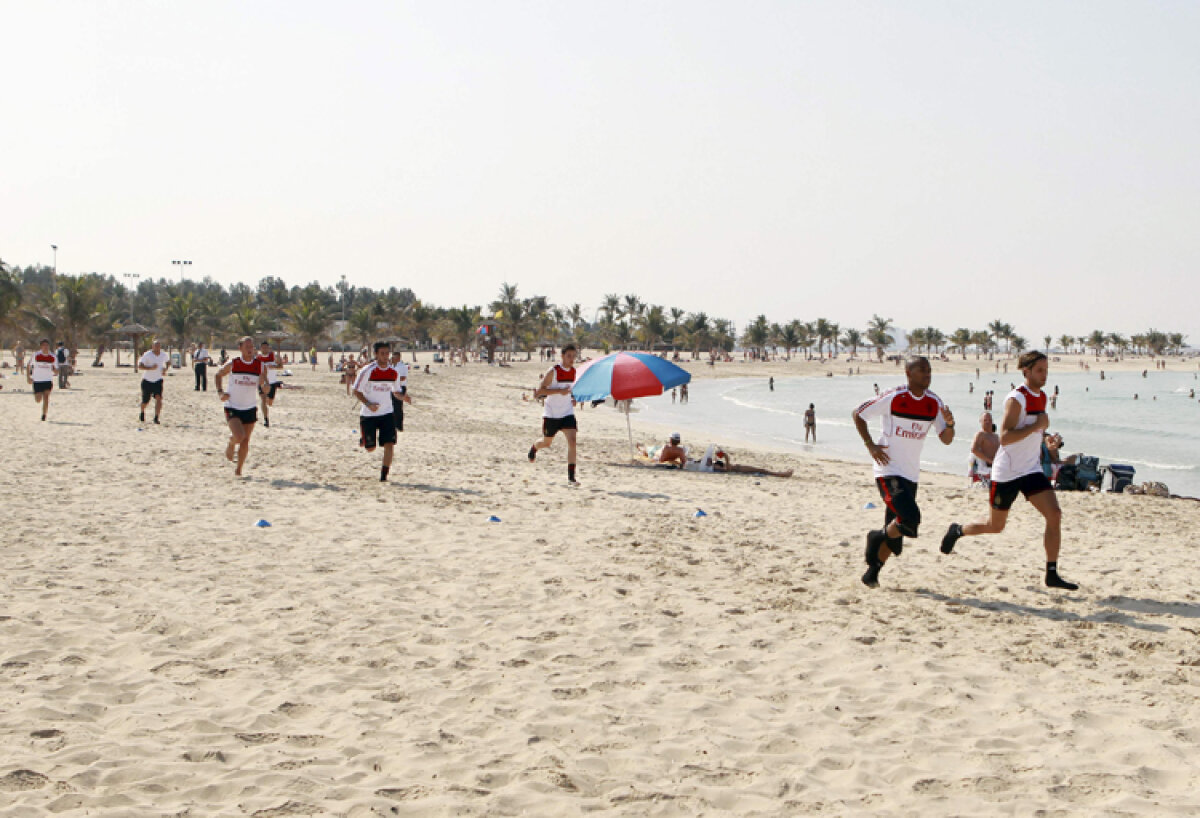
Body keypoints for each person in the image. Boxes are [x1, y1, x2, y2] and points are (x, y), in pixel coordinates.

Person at [940, 351, 1077, 590]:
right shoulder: (1017, 399)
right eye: (1039, 370)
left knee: (1054, 514)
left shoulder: (1042, 397)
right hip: (1007, 472)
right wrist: (1038, 425)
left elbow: (1032, 432)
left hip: (1031, 470)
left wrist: (1046, 439)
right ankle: (958, 530)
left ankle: (1051, 573)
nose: (1044, 375)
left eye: (1046, 370)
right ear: (1026, 371)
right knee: (995, 526)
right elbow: (1004, 437)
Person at [852, 356, 955, 588]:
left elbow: (946, 440)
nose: (927, 374)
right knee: (911, 519)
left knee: (900, 534)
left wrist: (949, 424)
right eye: (922, 370)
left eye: (929, 370)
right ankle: (876, 536)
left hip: (911, 474)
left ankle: (872, 572)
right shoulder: (894, 397)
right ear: (908, 373)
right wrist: (870, 444)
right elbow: (858, 414)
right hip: (888, 469)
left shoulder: (934, 403)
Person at [353, 341, 411, 482]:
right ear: (376, 354)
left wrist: (403, 397)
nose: (385, 356)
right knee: (370, 448)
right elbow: (356, 390)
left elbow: (395, 391)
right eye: (382, 353)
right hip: (368, 414)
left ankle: (384, 476)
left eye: (387, 353)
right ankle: (365, 438)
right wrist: (368, 403)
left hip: (387, 413)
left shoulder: (393, 372)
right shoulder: (367, 371)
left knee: (389, 444)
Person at [215, 336, 267, 477]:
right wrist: (221, 392)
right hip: (232, 406)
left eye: (252, 347)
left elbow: (265, 387)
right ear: (240, 348)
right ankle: (231, 443)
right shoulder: (234, 363)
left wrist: (265, 385)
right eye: (247, 347)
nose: (250, 350)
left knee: (245, 440)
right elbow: (218, 375)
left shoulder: (260, 366)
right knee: (239, 436)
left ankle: (239, 470)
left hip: (249, 407)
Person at [528, 344, 579, 485]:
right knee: (546, 442)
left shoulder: (574, 372)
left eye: (574, 356)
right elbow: (540, 391)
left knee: (573, 441)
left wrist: (573, 398)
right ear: (562, 356)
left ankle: (571, 477)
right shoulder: (553, 371)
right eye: (569, 356)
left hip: (567, 412)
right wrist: (558, 391)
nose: (572, 359)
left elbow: (571, 390)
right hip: (551, 414)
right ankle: (534, 447)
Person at [137, 340, 171, 424]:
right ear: (152, 346)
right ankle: (142, 411)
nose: (157, 348)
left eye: (159, 346)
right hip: (147, 380)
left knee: (159, 398)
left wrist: (165, 369)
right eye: (156, 346)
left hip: (158, 380)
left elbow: (168, 362)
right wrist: (150, 368)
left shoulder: (163, 355)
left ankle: (156, 417)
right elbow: (140, 366)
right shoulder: (147, 354)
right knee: (146, 401)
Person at [28, 339, 58, 421]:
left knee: (46, 398)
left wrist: (55, 371)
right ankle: (37, 395)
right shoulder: (36, 355)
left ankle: (44, 415)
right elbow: (29, 365)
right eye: (44, 345)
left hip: (48, 380)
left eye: (47, 345)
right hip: (37, 380)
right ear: (41, 346)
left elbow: (56, 369)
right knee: (38, 400)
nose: (46, 347)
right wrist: (28, 377)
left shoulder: (53, 356)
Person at [257, 341, 282, 427]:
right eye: (263, 347)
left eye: (266, 347)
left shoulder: (273, 356)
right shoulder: (258, 358)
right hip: (262, 382)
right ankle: (266, 419)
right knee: (263, 400)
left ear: (268, 348)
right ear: (260, 348)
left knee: (270, 402)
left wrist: (274, 366)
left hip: (272, 382)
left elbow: (281, 366)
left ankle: (265, 406)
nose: (264, 349)